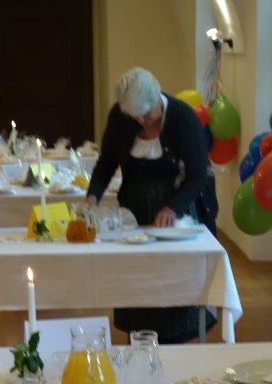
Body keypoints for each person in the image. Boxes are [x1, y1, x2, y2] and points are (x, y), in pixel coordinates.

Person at [86, 67, 219, 344]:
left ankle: (176, 341)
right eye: (135, 116)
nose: (141, 121)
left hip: (175, 214)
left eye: (146, 114)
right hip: (133, 213)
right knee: (137, 282)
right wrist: (93, 196)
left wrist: (172, 208)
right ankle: (139, 341)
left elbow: (198, 175)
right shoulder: (121, 117)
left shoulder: (183, 118)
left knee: (171, 281)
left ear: (157, 97)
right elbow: (107, 162)